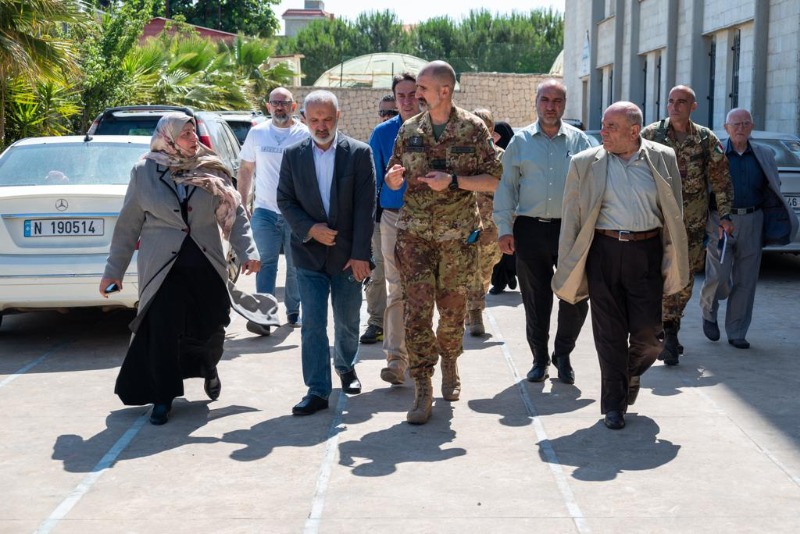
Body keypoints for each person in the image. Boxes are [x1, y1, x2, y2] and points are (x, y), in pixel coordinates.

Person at [100, 112, 262, 425]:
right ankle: (163, 397)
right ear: (169, 137)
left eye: (193, 132)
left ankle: (208, 367)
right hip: (163, 269)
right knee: (163, 331)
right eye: (185, 134)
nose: (192, 139)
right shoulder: (143, 172)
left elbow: (234, 212)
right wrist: (113, 271)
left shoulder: (210, 168)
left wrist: (247, 251)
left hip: (205, 265)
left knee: (212, 326)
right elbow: (128, 226)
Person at [553, 101, 689, 430]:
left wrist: (677, 258)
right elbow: (571, 216)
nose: (604, 132)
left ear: (633, 130)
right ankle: (614, 404)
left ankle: (629, 374)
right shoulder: (585, 163)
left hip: (646, 253)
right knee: (609, 334)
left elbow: (675, 212)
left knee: (651, 337)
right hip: (603, 252)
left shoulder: (662, 157)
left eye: (611, 127)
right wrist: (568, 262)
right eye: (603, 125)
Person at [385, 61, 502, 424]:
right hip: (415, 236)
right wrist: (393, 179)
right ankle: (423, 386)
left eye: (422, 87)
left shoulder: (472, 128)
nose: (415, 94)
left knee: (452, 313)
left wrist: (453, 181)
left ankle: (450, 361)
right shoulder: (409, 129)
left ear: (444, 91)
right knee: (416, 315)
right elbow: (393, 175)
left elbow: (495, 180)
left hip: (456, 238)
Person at [277, 90, 376, 416]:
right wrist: (309, 229)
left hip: (348, 257)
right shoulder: (292, 155)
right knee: (313, 325)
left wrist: (361, 253)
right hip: (307, 255)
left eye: (327, 119)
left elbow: (365, 207)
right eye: (315, 119)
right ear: (304, 119)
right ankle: (317, 390)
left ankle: (346, 366)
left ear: (338, 118)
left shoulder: (359, 153)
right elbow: (285, 200)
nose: (321, 126)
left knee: (348, 321)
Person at [493, 80, 592, 384]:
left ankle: (563, 354)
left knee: (575, 296)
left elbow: (593, 186)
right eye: (545, 100)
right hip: (530, 229)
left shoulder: (581, 142)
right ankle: (539, 358)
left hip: (570, 230)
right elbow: (506, 187)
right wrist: (504, 228)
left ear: (565, 104)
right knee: (536, 299)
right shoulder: (520, 141)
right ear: (536, 102)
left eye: (558, 101)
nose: (551, 106)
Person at [641, 84, 734, 365]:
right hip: (654, 220)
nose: (675, 106)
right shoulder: (651, 134)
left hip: (691, 224)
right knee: (652, 275)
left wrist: (726, 216)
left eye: (681, 101)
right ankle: (659, 330)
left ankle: (671, 330)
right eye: (671, 101)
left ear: (693, 106)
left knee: (683, 278)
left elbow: (720, 178)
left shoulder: (705, 138)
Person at [699, 108, 799, 349]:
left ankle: (737, 331)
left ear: (751, 127)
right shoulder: (716, 153)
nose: (740, 128)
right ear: (726, 128)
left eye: (745, 123)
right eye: (736, 124)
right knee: (719, 275)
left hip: (753, 220)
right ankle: (708, 311)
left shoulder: (764, 154)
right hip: (720, 222)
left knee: (746, 280)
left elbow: (771, 188)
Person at [237, 87, 309, 335]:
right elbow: (246, 170)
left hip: (296, 213)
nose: (279, 107)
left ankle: (293, 310)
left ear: (293, 105)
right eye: (275, 102)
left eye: (284, 103)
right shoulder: (257, 133)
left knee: (295, 264)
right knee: (264, 262)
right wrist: (242, 203)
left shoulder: (304, 134)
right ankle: (264, 315)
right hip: (264, 211)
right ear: (268, 106)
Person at [368, 72, 420, 385]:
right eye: (401, 95)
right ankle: (396, 360)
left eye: (412, 94)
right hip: (393, 217)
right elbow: (373, 182)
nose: (406, 100)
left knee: (426, 291)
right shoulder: (381, 134)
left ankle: (421, 357)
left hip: (430, 220)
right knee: (397, 287)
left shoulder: (437, 130)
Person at [359, 94, 396, 345]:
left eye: (390, 113)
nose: (386, 117)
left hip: (414, 217)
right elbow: (370, 178)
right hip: (381, 218)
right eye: (383, 113)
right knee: (378, 272)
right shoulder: (379, 135)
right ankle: (376, 322)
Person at [465, 108, 504, 336]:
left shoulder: (501, 156)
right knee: (465, 269)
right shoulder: (461, 155)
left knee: (484, 269)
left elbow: (510, 191)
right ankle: (473, 312)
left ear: (491, 131)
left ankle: (475, 309)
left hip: (491, 224)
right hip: (463, 223)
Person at [488, 121, 517, 295]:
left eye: (497, 136)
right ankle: (501, 280)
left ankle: (508, 277)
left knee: (510, 250)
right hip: (493, 213)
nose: (494, 139)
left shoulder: (510, 157)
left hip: (510, 210)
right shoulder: (490, 157)